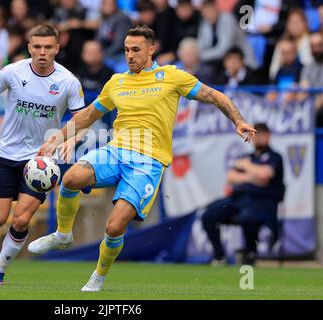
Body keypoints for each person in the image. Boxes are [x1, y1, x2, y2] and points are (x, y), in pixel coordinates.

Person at [28, 25, 256, 292]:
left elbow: (213, 96)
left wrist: (238, 120)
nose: (129, 55)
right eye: (126, 50)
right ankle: (63, 234)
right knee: (71, 177)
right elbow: (89, 115)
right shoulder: (117, 82)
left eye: (135, 50)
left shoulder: (171, 76)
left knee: (114, 227)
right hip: (116, 150)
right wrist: (57, 138)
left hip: (148, 161)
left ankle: (98, 277)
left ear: (151, 49)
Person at [0, 25, 86, 285]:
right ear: (29, 48)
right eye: (37, 47)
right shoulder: (13, 72)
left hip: (41, 162)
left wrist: (72, 139)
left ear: (57, 49)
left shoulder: (68, 81)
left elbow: (82, 119)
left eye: (48, 47)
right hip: (6, 155)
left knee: (22, 218)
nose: (42, 52)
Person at [201, 123, 285, 266]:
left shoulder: (274, 157)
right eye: (256, 134)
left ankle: (250, 253)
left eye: (263, 134)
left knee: (248, 217)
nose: (259, 138)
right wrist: (254, 175)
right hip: (238, 198)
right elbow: (231, 177)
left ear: (269, 136)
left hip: (261, 200)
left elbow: (265, 175)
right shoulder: (247, 156)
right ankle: (220, 256)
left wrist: (246, 167)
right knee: (209, 215)